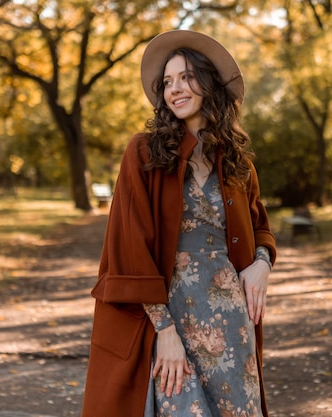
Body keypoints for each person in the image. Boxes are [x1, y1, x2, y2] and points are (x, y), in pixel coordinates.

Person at [80, 30, 276, 417]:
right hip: (169, 315)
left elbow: (260, 230)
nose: (175, 89)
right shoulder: (144, 153)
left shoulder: (238, 164)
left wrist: (262, 264)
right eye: (168, 82)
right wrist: (164, 332)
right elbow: (130, 246)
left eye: (186, 77)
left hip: (231, 323)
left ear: (209, 84)